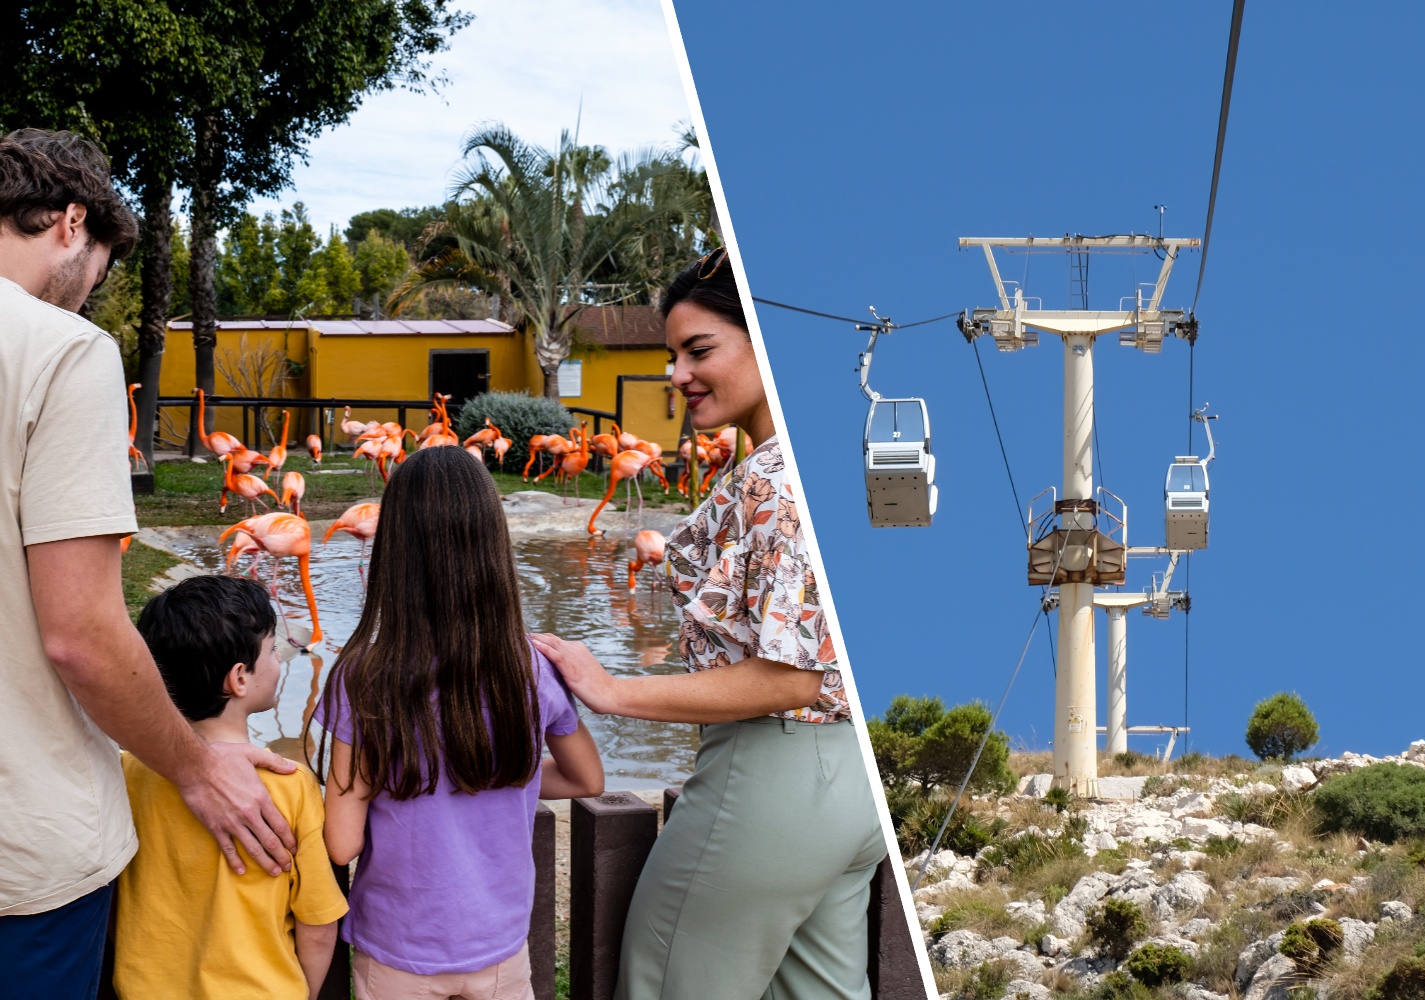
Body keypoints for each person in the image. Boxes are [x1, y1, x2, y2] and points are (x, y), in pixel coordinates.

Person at [534, 247, 889, 1000]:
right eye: (672, 355)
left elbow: (791, 674)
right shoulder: (815, 463)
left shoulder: (776, 484)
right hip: (851, 780)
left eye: (701, 351)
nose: (678, 375)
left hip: (771, 779)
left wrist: (612, 690)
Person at [0, 128, 299, 1000]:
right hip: (24, 860)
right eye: (99, 266)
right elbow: (81, 636)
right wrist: (198, 767)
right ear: (70, 222)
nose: (91, 292)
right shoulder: (59, 348)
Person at [315, 445, 606, 1000]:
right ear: (492, 544)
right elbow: (587, 779)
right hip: (500, 946)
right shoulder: (533, 667)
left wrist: (402, 770)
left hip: (398, 949)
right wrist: (498, 768)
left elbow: (342, 842)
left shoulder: (364, 675)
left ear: (394, 552)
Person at [118, 575, 348, 999]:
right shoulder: (288, 784)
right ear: (239, 678)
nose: (279, 661)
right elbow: (318, 922)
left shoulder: (129, 772)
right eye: (272, 650)